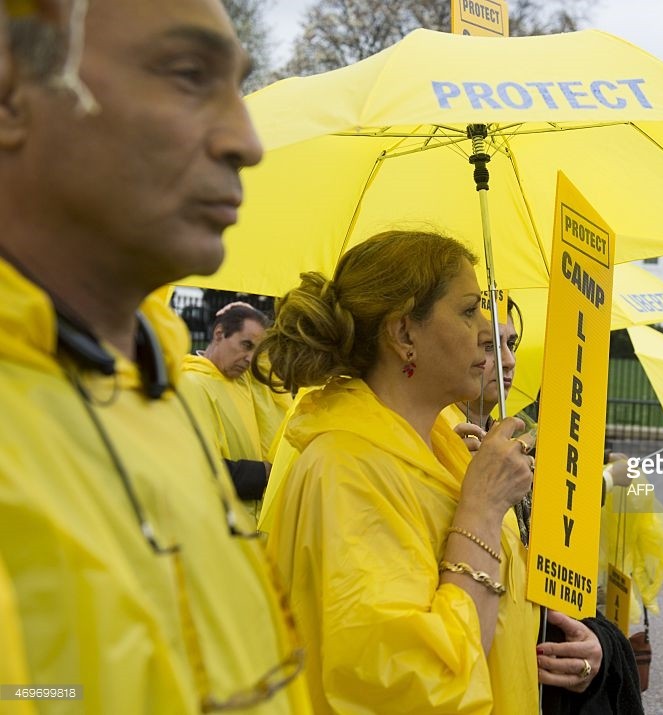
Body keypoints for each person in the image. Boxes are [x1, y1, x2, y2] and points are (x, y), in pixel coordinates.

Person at [0, 1, 311, 712]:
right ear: (10, 91)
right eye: (187, 74)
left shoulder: (147, 383)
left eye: (240, 84)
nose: (247, 139)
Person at [255, 231, 569, 714]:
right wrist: (482, 509)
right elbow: (416, 686)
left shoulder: (443, 447)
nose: (487, 331)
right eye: (469, 311)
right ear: (404, 335)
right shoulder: (348, 468)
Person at [443, 297, 648, 713]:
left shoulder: (535, 446)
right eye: (486, 345)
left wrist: (597, 649)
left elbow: (565, 594)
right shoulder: (430, 450)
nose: (506, 361)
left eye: (511, 343)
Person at [179, 301, 291, 502]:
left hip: (250, 520)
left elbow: (268, 361)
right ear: (219, 334)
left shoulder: (244, 379)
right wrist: (263, 473)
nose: (250, 359)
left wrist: (250, 311)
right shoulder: (191, 384)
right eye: (246, 345)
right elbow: (194, 467)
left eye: (255, 351)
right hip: (223, 521)